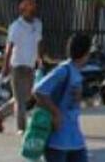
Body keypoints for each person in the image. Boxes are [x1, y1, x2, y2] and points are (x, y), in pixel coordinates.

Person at [33, 32, 91, 162]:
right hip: (57, 140)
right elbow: (39, 90)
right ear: (85, 53)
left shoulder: (76, 72)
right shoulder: (64, 70)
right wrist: (56, 113)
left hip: (75, 138)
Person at [0, 0, 43, 134]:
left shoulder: (38, 24)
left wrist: (40, 59)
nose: (33, 11)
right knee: (20, 101)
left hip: (30, 66)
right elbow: (9, 47)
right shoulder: (16, 26)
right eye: (30, 9)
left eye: (34, 8)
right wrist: (5, 66)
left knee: (25, 98)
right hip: (17, 66)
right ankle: (22, 128)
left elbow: (38, 43)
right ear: (23, 10)